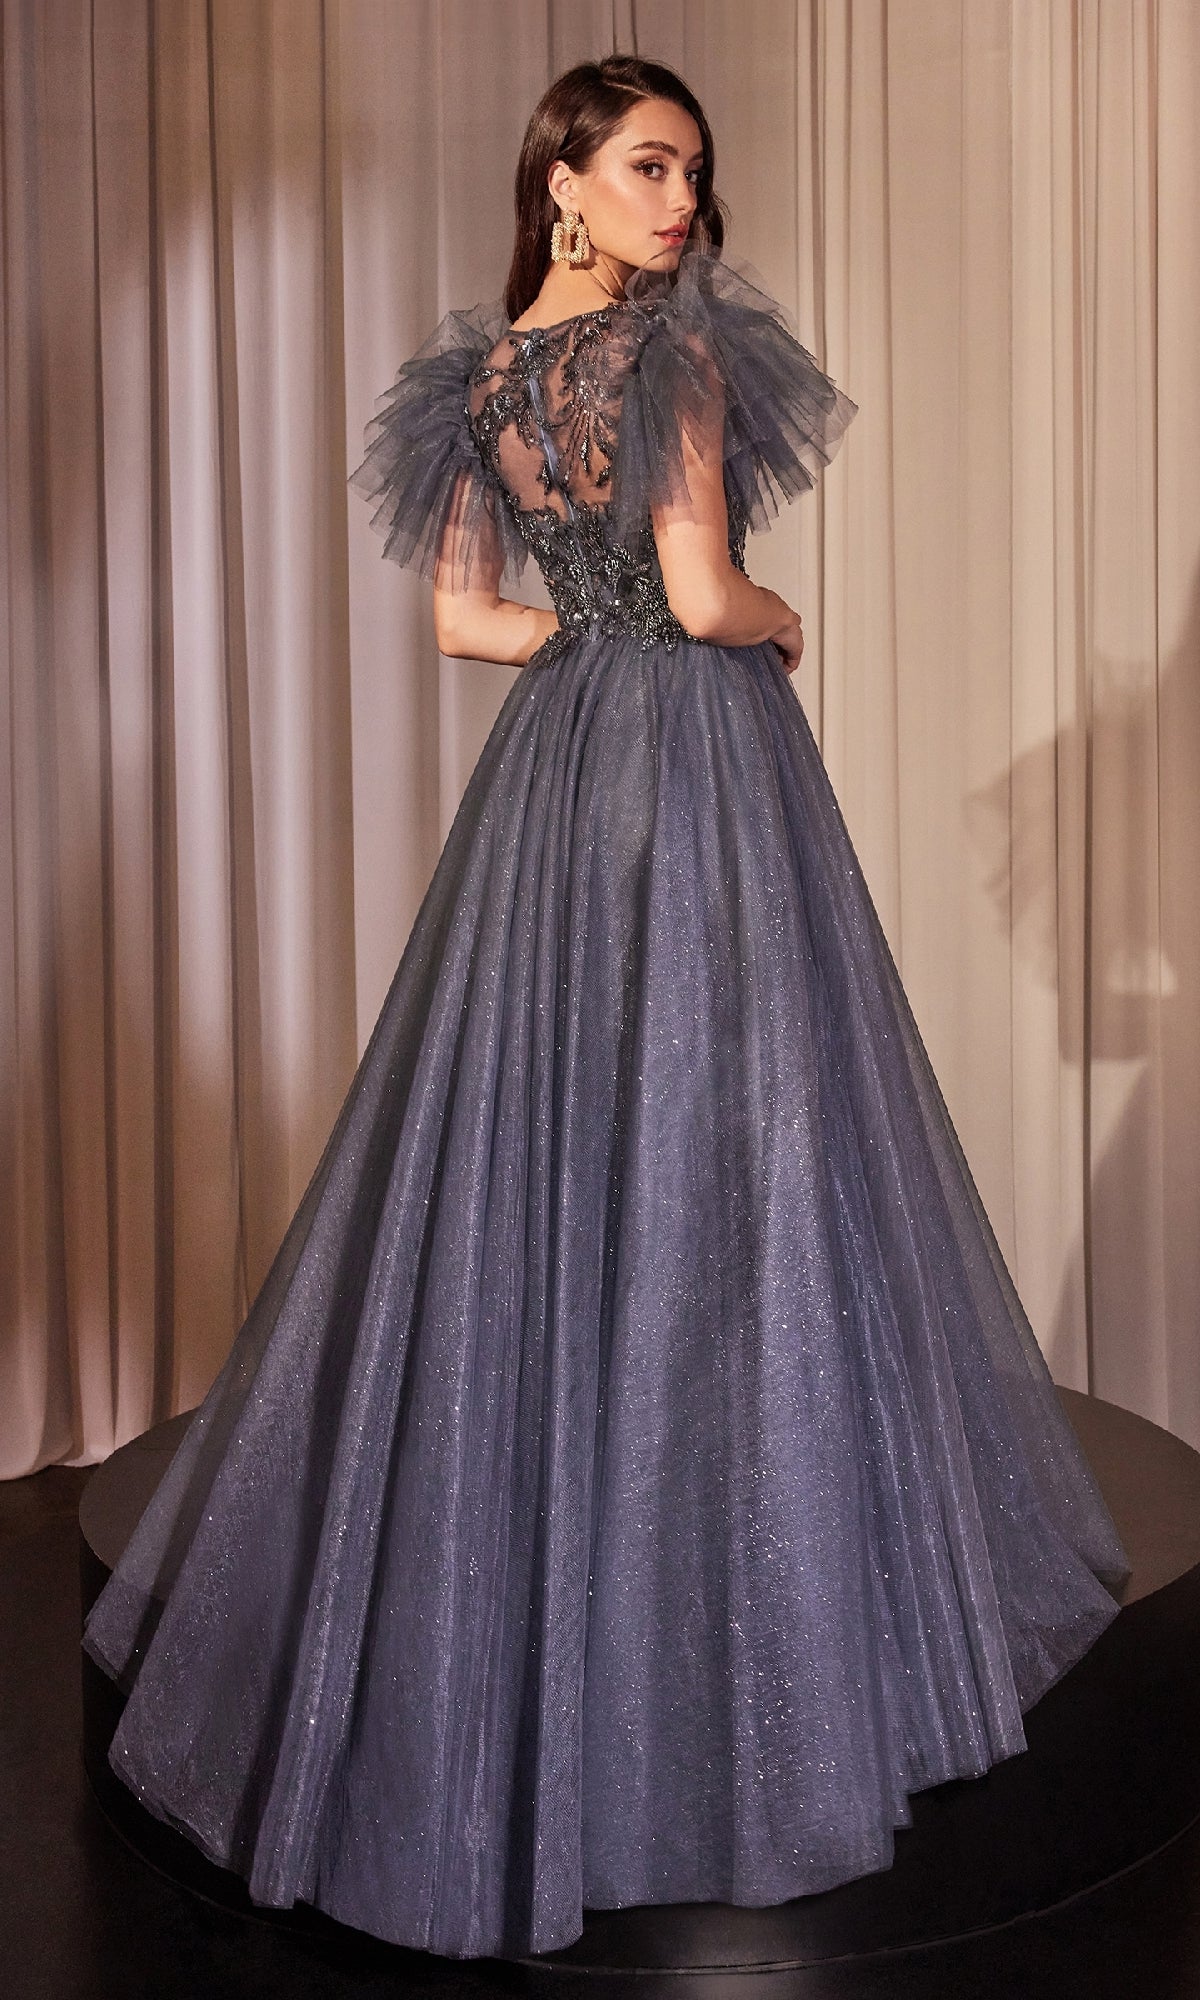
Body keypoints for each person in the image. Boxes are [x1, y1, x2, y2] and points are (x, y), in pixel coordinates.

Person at [83, 53, 1132, 1965]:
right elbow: (707, 585)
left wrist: (587, 642)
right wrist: (778, 621)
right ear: (562, 179)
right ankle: (725, 1565)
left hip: (560, 774)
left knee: (542, 1136)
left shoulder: (477, 387)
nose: (682, 208)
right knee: (736, 1129)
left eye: (693, 177)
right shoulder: (677, 359)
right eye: (649, 169)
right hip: (699, 764)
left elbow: (466, 628)